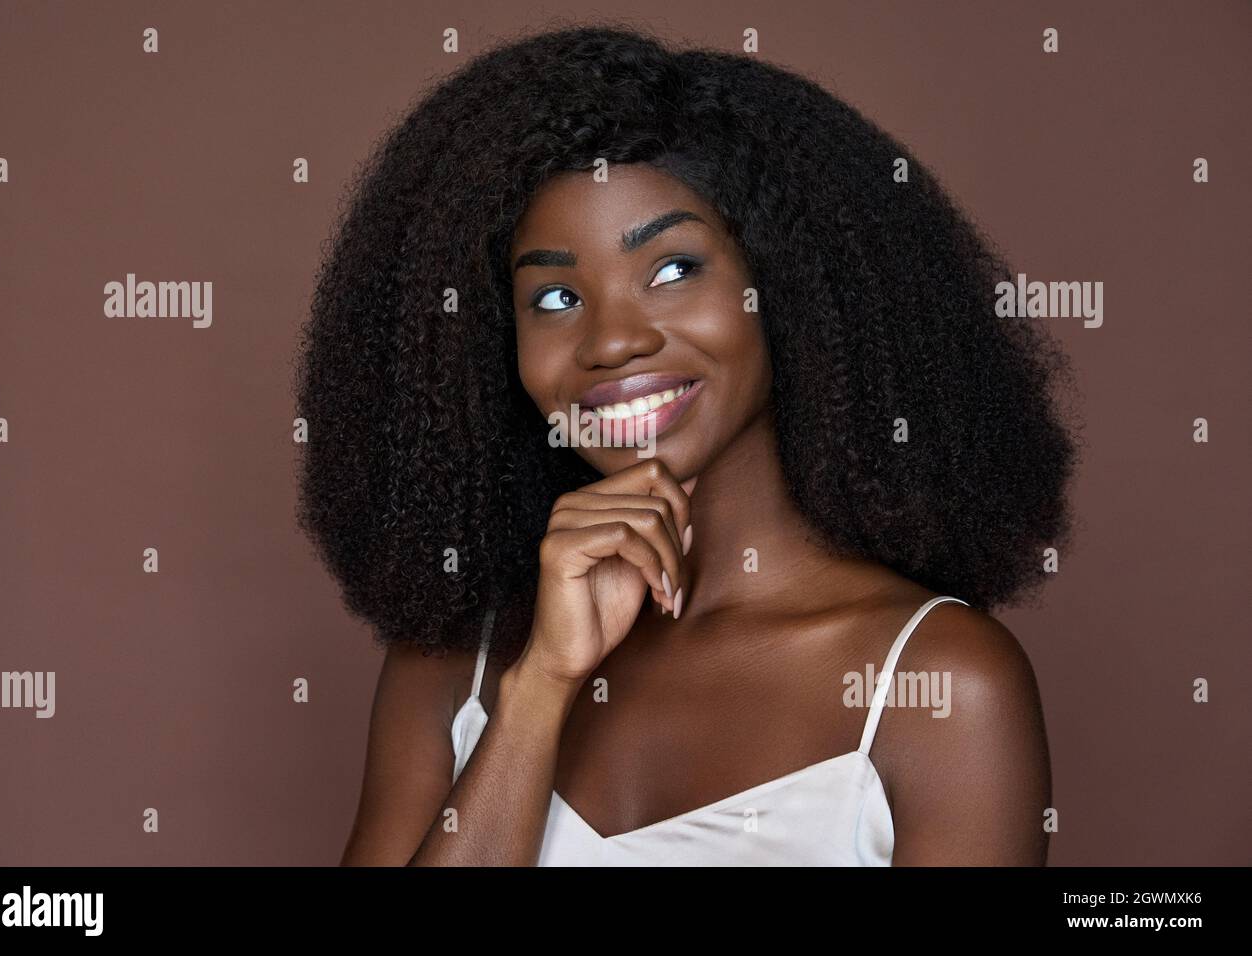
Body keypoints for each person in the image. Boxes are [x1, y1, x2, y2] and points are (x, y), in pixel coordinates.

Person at [294, 23, 1080, 865]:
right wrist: (538, 691)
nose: (613, 342)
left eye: (672, 270)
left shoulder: (938, 685)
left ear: (785, 286)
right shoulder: (454, 665)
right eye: (555, 298)